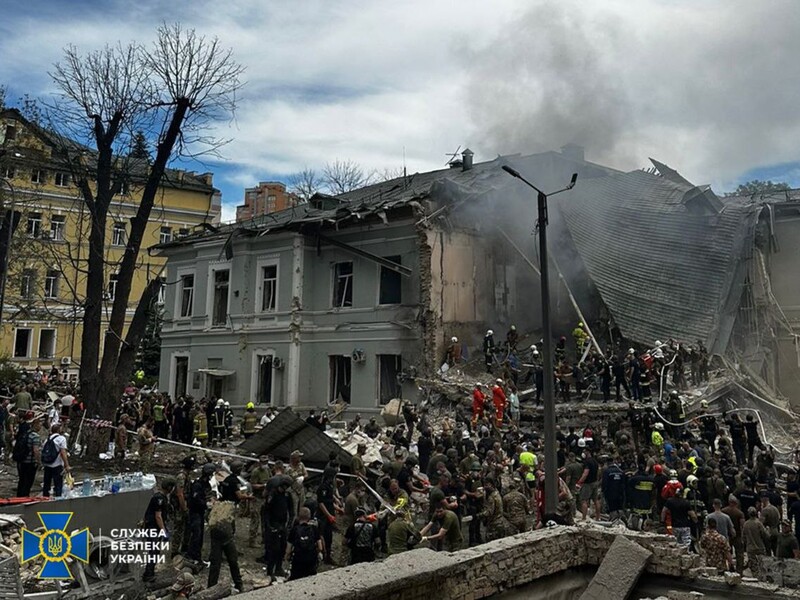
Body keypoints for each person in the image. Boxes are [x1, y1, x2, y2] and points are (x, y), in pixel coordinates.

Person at [207, 496, 243, 592]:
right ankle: (211, 587)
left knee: (232, 561)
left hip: (227, 538)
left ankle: (239, 584)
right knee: (216, 564)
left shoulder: (227, 510)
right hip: (219, 540)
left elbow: (232, 525)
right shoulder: (214, 512)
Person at [142, 477, 174, 581]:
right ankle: (148, 574)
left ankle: (150, 572)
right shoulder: (159, 498)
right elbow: (158, 516)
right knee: (154, 551)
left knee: (155, 551)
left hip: (155, 527)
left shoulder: (162, 497)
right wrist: (163, 530)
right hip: (153, 528)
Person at [187, 463, 216, 563]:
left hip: (200, 512)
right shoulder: (197, 485)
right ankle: (192, 555)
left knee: (200, 535)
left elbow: (209, 493)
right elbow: (196, 500)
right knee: (196, 534)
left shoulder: (206, 484)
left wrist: (211, 500)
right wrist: (206, 504)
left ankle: (196, 555)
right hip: (194, 512)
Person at [285, 507, 322, 581]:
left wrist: (287, 557)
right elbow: (320, 547)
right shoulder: (314, 529)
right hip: (311, 560)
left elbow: (288, 550)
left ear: (298, 517)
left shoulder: (294, 530)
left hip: (298, 560)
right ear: (309, 517)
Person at [171, 456, 195, 559]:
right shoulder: (182, 476)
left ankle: (184, 547)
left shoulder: (186, 475)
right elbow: (180, 494)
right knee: (179, 528)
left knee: (186, 527)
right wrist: (184, 508)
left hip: (184, 502)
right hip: (180, 505)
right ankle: (175, 551)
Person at [14, 413, 41, 497]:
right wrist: (39, 462)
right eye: (39, 424)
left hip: (22, 461)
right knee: (28, 481)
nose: (40, 426)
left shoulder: (26, 433)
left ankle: (19, 496)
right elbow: (35, 450)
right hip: (30, 462)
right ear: (35, 425)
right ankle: (25, 497)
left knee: (22, 480)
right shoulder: (35, 436)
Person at [41, 423, 70, 498]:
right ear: (59, 430)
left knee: (46, 484)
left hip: (47, 464)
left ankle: (45, 499)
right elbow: (63, 453)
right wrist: (67, 465)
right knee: (58, 484)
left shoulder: (48, 439)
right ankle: (58, 499)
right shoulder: (61, 439)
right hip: (57, 465)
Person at [248, 455, 271, 548]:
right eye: (263, 463)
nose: (265, 465)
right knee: (255, 519)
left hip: (265, 497)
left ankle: (264, 538)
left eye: (266, 463)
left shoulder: (268, 470)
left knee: (265, 519)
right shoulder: (255, 472)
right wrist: (262, 486)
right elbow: (252, 485)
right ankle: (252, 540)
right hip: (257, 498)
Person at [576, 446, 601, 520]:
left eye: (584, 451)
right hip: (595, 482)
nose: (583, 453)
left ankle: (584, 518)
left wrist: (579, 482)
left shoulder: (587, 462)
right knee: (596, 500)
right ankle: (598, 517)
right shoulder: (595, 461)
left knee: (584, 500)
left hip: (587, 484)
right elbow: (598, 472)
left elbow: (585, 473)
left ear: (588, 452)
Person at [722, 494, 745, 574]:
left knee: (728, 552)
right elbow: (742, 525)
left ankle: (729, 567)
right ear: (736, 503)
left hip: (727, 535)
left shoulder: (724, 511)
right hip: (737, 535)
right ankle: (739, 571)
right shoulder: (739, 513)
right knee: (739, 554)